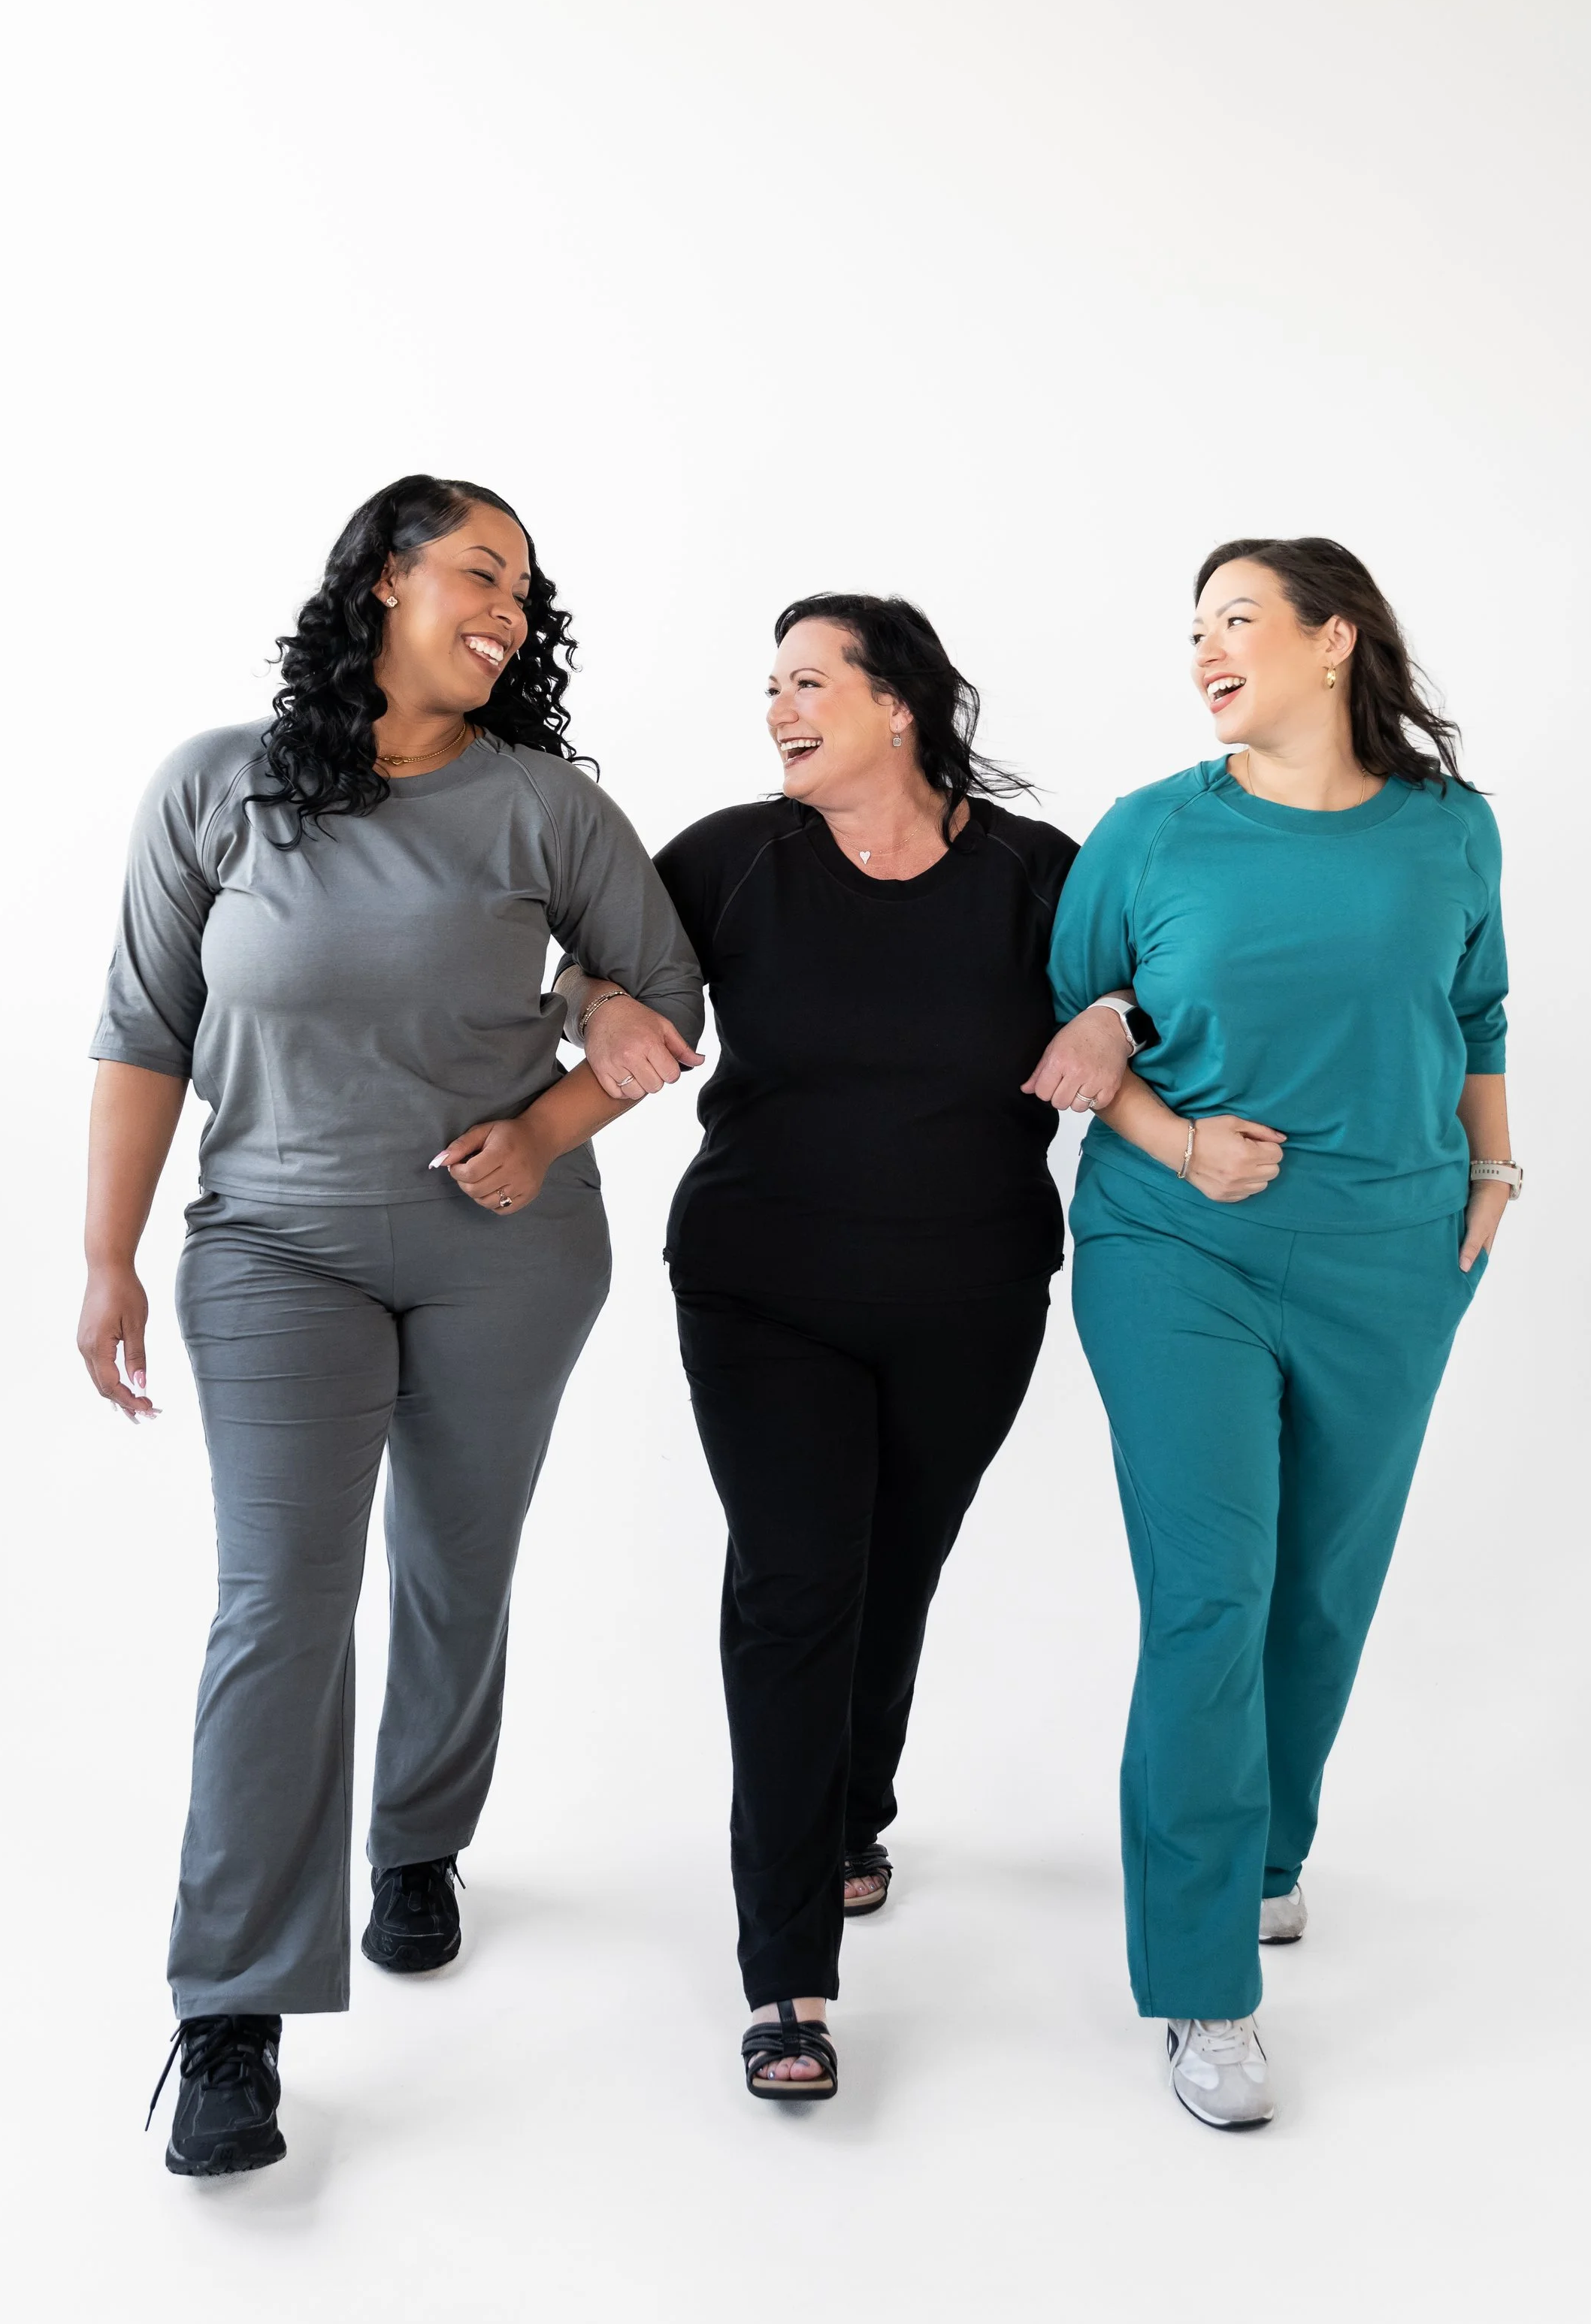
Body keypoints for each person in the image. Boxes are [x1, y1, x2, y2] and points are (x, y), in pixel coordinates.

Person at [78, 476, 702, 2176]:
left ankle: (415, 1842)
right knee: (281, 1602)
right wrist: (106, 1255)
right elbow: (144, 1023)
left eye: (526, 588)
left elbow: (666, 1006)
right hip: (271, 1245)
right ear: (379, 584)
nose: (509, 606)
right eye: (478, 571)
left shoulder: (545, 807)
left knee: (453, 1559)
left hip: (503, 1252)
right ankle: (227, 2014)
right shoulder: (219, 786)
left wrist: (550, 1124)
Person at [564, 596, 1135, 2099]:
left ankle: (853, 1809)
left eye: (807, 682)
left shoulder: (1035, 870)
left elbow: (1147, 975)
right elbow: (582, 957)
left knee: (894, 1568)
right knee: (798, 1580)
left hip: (972, 1291)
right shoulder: (729, 856)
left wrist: (1121, 1019)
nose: (774, 710)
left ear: (899, 704)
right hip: (762, 1285)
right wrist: (604, 997)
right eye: (769, 686)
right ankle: (786, 1982)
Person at [1048, 536, 1517, 2131]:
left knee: (1320, 1580)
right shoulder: (1147, 832)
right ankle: (1198, 1987)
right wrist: (1177, 1143)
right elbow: (1058, 1036)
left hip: (1394, 1250)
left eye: (1234, 620)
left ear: (1334, 641)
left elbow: (1476, 1015)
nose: (1202, 651)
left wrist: (1496, 1167)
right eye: (1191, 632)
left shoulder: (1451, 832)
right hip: (1174, 1244)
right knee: (1211, 1592)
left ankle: (1259, 1855)